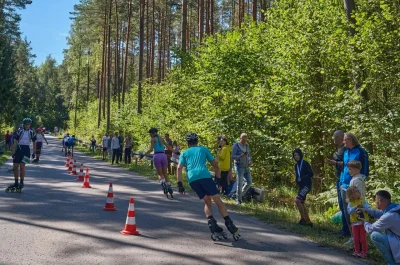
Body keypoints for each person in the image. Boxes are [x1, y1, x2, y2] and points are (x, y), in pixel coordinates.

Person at [176, 133, 240, 240]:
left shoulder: (184, 153)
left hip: (192, 179)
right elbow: (215, 166)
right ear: (197, 141)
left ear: (188, 143)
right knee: (216, 198)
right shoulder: (203, 149)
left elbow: (178, 168)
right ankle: (230, 224)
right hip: (204, 176)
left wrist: (180, 184)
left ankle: (212, 225)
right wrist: (219, 180)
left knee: (207, 200)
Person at [339, 133, 369, 245]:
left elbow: (365, 166)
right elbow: (344, 168)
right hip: (345, 185)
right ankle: (353, 236)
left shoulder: (361, 151)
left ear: (351, 140)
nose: (344, 142)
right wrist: (341, 181)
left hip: (356, 184)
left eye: (345, 140)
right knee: (347, 211)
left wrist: (363, 178)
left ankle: (361, 238)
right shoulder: (346, 152)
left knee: (358, 209)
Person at [359, 190, 400, 264]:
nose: (375, 202)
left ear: (380, 201)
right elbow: (382, 214)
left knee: (375, 235)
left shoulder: (389, 216)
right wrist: (367, 211)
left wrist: (365, 222)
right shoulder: (395, 208)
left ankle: (392, 263)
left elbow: (370, 229)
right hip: (397, 238)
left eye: (376, 200)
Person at [327, 130, 348, 236]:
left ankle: (346, 230)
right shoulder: (340, 148)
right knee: (341, 204)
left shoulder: (344, 148)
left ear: (340, 137)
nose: (333, 139)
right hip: (338, 178)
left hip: (343, 179)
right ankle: (345, 228)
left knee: (344, 204)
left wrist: (335, 161)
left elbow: (342, 160)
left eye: (334, 137)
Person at [141, 128, 173, 195]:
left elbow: (151, 149)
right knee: (165, 173)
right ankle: (169, 186)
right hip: (163, 155)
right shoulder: (161, 138)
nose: (150, 135)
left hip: (157, 156)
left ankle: (163, 184)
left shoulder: (153, 139)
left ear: (152, 134)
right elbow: (168, 147)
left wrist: (144, 155)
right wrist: (175, 151)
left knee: (159, 174)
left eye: (150, 134)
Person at [9, 118, 37, 191]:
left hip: (26, 150)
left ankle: (21, 182)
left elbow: (34, 142)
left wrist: (34, 152)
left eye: (29, 124)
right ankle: (16, 182)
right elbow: (15, 141)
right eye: (26, 124)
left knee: (22, 166)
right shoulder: (19, 131)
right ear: (24, 124)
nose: (28, 125)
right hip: (19, 149)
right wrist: (13, 152)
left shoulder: (32, 132)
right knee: (15, 166)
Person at [346, 186, 369, 258]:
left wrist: (363, 207)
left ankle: (364, 252)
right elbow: (349, 212)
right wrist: (356, 207)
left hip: (362, 222)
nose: (359, 191)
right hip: (354, 223)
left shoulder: (363, 200)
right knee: (356, 238)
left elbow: (368, 209)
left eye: (358, 190)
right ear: (351, 195)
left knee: (363, 238)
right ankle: (357, 251)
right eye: (356, 191)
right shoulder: (350, 203)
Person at [293, 148, 313, 226]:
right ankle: (308, 221)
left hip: (307, 185)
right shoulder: (296, 165)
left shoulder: (305, 163)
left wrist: (303, 178)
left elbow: (311, 174)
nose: (296, 157)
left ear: (300, 155)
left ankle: (303, 219)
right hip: (301, 186)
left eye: (298, 155)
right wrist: (297, 180)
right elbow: (298, 176)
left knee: (297, 200)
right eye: (295, 155)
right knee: (301, 202)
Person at [231, 133, 252, 205]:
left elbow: (249, 155)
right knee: (239, 184)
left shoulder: (247, 145)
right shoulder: (236, 146)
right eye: (243, 140)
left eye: (246, 140)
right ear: (240, 138)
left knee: (249, 182)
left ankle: (241, 194)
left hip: (246, 166)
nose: (245, 142)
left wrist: (250, 161)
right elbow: (232, 157)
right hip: (239, 166)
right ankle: (238, 200)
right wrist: (240, 156)